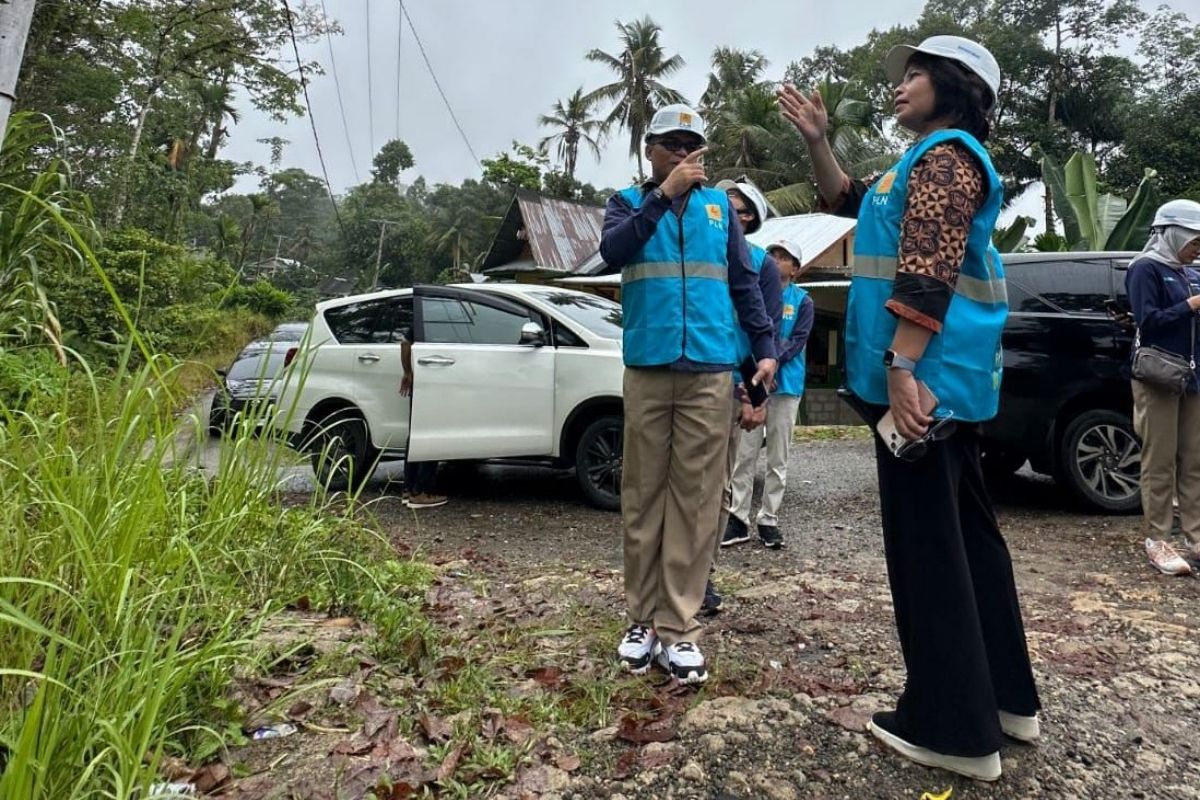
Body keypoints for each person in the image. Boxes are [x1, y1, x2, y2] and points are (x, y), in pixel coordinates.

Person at [779, 35, 1040, 782]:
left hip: (926, 382)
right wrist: (819, 142)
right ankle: (1007, 701)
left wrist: (901, 367)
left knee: (927, 551)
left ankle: (953, 728)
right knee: (970, 539)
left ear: (954, 85)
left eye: (917, 73)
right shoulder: (918, 164)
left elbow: (926, 271)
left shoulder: (945, 159)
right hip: (949, 380)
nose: (901, 84)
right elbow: (847, 201)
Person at [600, 104, 777, 685]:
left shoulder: (718, 210)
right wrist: (661, 197)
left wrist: (765, 347)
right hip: (649, 367)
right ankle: (641, 619)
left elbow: (744, 280)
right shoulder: (626, 204)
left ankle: (678, 627)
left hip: (708, 369)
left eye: (691, 145)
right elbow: (614, 253)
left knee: (697, 499)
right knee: (643, 493)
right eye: (671, 144)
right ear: (650, 149)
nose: (682, 153)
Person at [703, 178, 781, 615]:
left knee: (714, 486)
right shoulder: (694, 250)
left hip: (730, 385)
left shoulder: (760, 265)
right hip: (686, 377)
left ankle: (703, 572)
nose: (716, 207)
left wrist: (755, 396)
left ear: (747, 217)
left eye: (730, 204)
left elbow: (761, 333)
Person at [724, 238, 814, 550]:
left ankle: (769, 519)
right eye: (773, 254)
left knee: (778, 456)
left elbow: (797, 340)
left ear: (796, 268)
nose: (776, 260)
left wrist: (772, 363)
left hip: (785, 386)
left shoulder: (804, 301)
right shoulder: (755, 293)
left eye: (784, 256)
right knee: (745, 453)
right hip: (755, 380)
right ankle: (737, 518)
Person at [1126, 199, 1200, 576]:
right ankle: (1157, 539)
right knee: (1159, 461)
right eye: (1195, 241)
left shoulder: (1189, 271)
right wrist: (1190, 305)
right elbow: (1148, 322)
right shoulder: (1146, 268)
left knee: (1194, 459)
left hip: (1191, 377)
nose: (1197, 249)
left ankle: (1195, 537)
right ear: (1175, 234)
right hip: (1158, 377)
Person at [399, 338, 447, 509]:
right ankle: (420, 492)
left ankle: (408, 489)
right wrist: (408, 372)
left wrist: (408, 371)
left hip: (423, 379)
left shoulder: (423, 314)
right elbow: (405, 344)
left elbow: (405, 343)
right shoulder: (432, 316)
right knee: (430, 433)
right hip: (433, 380)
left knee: (416, 434)